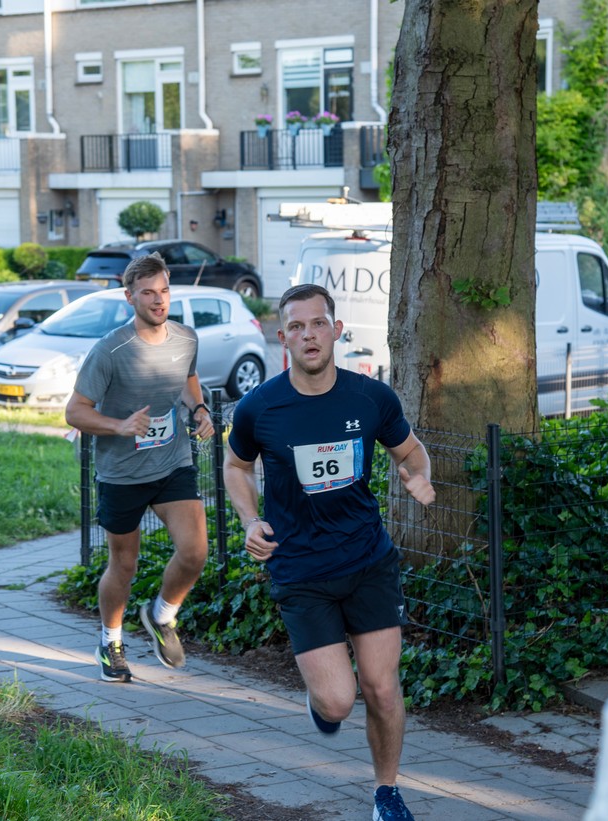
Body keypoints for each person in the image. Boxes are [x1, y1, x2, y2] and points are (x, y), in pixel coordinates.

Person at [223, 283, 435, 821]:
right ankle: (323, 701)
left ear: (336, 331)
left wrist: (420, 477)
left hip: (367, 561)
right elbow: (235, 466)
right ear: (283, 338)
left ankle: (386, 793)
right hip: (300, 571)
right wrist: (251, 520)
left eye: (318, 323)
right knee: (339, 701)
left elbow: (412, 452)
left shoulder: (371, 398)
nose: (309, 334)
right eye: (296, 326)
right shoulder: (260, 407)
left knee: (383, 691)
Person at [65, 252, 214, 683]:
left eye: (164, 290)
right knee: (123, 565)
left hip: (172, 461)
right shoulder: (110, 351)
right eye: (148, 293)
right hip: (122, 473)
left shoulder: (186, 338)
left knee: (195, 551)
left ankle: (161, 615)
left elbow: (186, 376)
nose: (158, 300)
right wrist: (120, 425)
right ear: (129, 297)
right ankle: (110, 641)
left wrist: (199, 407)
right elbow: (75, 412)